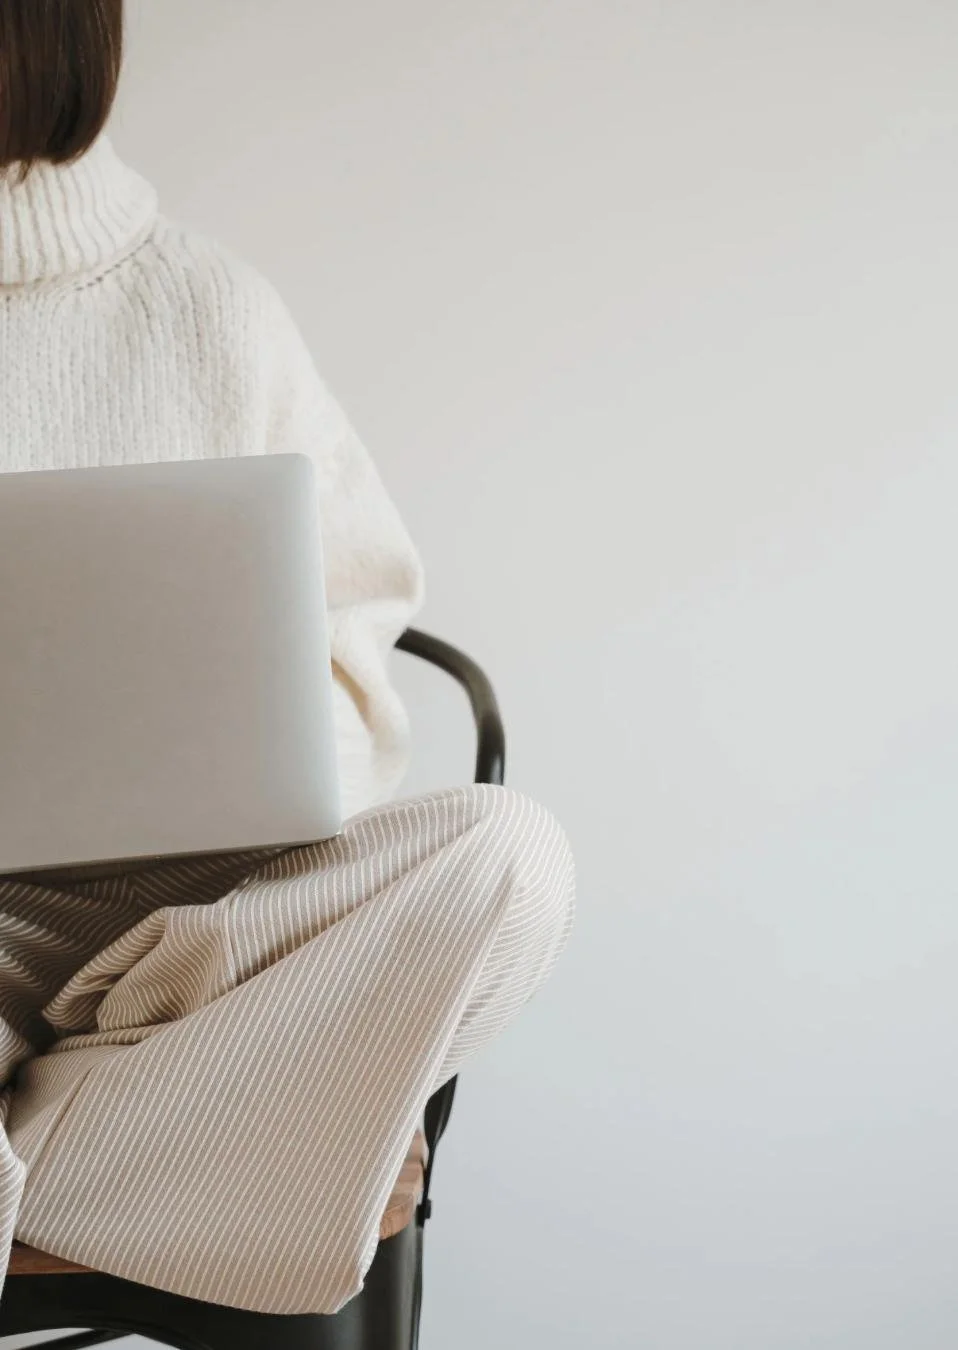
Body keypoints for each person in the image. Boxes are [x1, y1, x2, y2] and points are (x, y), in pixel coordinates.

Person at [0, 0, 574, 1315]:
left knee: (511, 857)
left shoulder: (208, 310)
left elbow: (364, 670)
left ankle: (48, 1156)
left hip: (203, 952)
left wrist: (247, 734)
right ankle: (215, 1173)